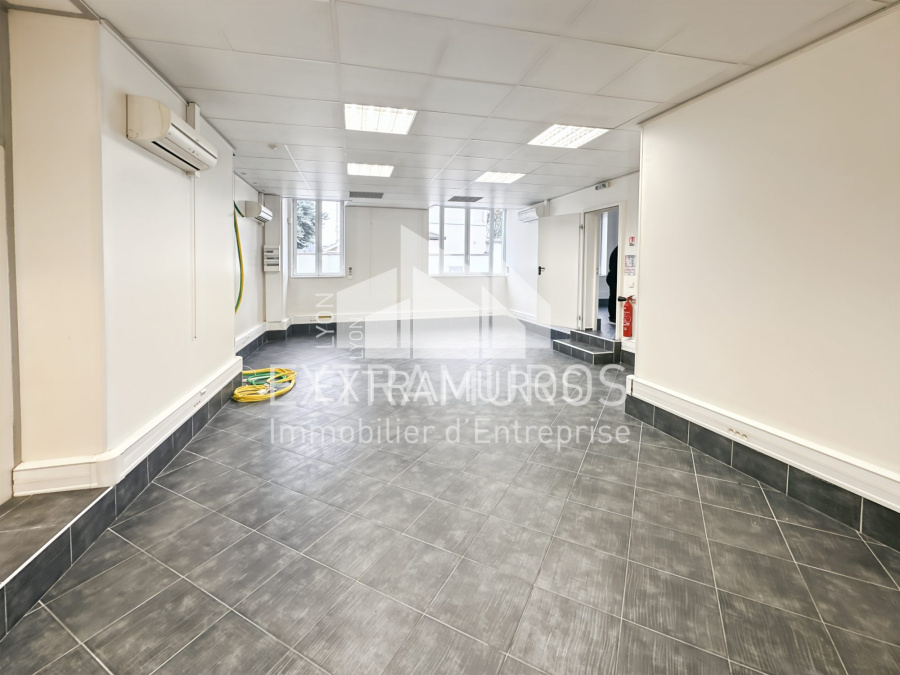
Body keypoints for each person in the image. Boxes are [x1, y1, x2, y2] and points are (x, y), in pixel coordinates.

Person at [606, 246, 618, 323]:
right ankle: (613, 317)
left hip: (612, 276)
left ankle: (613, 316)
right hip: (613, 277)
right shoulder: (619, 250)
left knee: (613, 296)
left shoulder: (617, 250)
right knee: (613, 296)